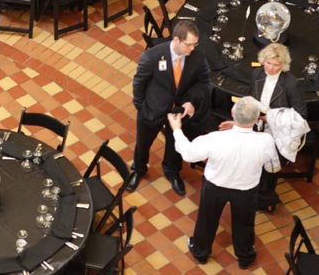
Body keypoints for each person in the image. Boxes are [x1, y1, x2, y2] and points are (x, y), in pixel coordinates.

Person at [168, 96, 280, 269]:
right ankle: (245, 256)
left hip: (215, 186)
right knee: (244, 223)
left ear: (233, 113)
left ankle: (200, 251)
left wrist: (176, 129)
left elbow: (188, 154)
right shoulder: (266, 141)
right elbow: (273, 168)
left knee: (207, 219)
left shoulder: (215, 139)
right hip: (246, 190)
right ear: (257, 118)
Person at [219, 42, 307, 211]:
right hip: (257, 124)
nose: (271, 68)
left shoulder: (291, 83)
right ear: (263, 61)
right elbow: (253, 98)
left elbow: (301, 117)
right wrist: (241, 120)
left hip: (277, 132)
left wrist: (270, 118)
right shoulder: (257, 74)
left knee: (269, 168)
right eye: (268, 63)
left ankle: (266, 198)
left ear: (283, 65)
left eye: (276, 65)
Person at [128, 20, 211, 195]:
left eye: (195, 44)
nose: (192, 49)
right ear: (176, 40)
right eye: (189, 45)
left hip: (179, 110)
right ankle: (138, 169)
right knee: (143, 143)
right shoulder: (153, 56)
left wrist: (190, 101)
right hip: (152, 109)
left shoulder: (198, 56)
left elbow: (203, 82)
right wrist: (141, 107)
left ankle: (172, 171)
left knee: (175, 143)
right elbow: (139, 82)